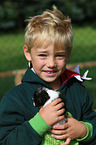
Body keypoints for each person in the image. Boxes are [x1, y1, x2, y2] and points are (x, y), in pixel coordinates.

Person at [0, 5, 96, 145]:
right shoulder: (14, 98)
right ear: (28, 53)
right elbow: (6, 141)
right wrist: (40, 122)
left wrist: (85, 130)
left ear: (68, 54)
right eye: (43, 55)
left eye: (59, 56)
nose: (51, 63)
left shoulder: (76, 90)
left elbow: (92, 120)